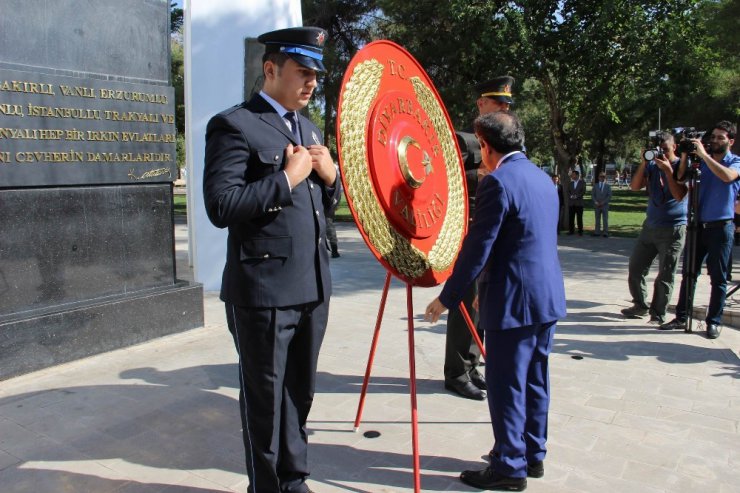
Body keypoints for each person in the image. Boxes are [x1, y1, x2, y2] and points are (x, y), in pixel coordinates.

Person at [203, 27, 339, 493]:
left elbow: (322, 207)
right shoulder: (234, 124)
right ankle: (265, 486)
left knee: (299, 393)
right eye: (302, 72)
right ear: (270, 69)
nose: (311, 83)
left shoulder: (308, 126)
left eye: (315, 75)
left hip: (312, 285)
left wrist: (329, 176)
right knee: (265, 399)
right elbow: (220, 206)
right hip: (263, 290)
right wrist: (287, 178)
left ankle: (294, 478)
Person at [425, 111, 566, 491]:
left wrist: (448, 297)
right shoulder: (541, 177)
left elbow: (478, 248)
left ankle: (508, 466)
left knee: (507, 385)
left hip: (513, 302)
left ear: (485, 146)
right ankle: (532, 454)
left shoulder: (498, 183)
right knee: (536, 380)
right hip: (545, 298)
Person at [442, 75, 515, 401]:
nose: (502, 109)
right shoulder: (463, 141)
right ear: (481, 105)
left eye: (505, 105)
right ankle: (456, 372)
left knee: (481, 304)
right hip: (468, 233)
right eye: (496, 103)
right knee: (465, 305)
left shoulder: (507, 140)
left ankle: (471, 365)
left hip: (493, 233)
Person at [661, 121, 740, 339]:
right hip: (698, 226)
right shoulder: (700, 163)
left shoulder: (735, 162)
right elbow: (679, 178)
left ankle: (713, 321)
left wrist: (704, 155)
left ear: (730, 141)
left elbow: (727, 177)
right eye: (712, 136)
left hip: (721, 227)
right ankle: (681, 315)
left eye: (720, 137)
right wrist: (686, 154)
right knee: (689, 274)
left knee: (719, 278)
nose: (715, 140)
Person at [621, 132, 687, 325]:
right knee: (636, 268)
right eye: (659, 150)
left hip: (673, 228)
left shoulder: (680, 167)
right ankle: (640, 305)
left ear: (674, 147)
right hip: (650, 226)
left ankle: (658, 314)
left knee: (665, 274)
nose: (662, 154)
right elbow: (634, 187)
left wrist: (667, 170)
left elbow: (679, 196)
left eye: (666, 150)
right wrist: (644, 162)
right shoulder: (651, 166)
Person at [591, 172, 612, 237]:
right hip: (597, 205)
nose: (602, 178)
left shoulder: (608, 186)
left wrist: (603, 202)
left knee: (605, 219)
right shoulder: (595, 185)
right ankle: (597, 232)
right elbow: (592, 195)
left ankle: (605, 232)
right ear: (598, 177)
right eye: (600, 176)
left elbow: (609, 196)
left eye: (603, 176)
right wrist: (595, 202)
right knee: (597, 219)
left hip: (604, 205)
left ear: (605, 178)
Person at [567, 169, 585, 235]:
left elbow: (583, 191)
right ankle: (571, 231)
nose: (572, 176)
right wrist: (571, 196)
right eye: (572, 175)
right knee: (571, 217)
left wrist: (576, 196)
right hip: (571, 203)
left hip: (579, 203)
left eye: (573, 175)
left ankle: (580, 231)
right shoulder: (570, 183)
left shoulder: (582, 182)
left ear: (577, 175)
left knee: (579, 217)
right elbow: (568, 191)